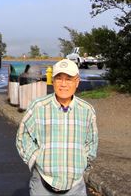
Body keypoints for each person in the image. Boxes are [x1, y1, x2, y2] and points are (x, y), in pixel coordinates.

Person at [16, 59, 98, 196]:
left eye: (69, 79)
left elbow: (91, 143)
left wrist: (82, 163)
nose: (63, 84)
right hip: (43, 184)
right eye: (59, 79)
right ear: (52, 81)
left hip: (75, 187)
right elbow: (22, 136)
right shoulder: (38, 107)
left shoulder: (87, 110)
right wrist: (36, 158)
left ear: (77, 82)